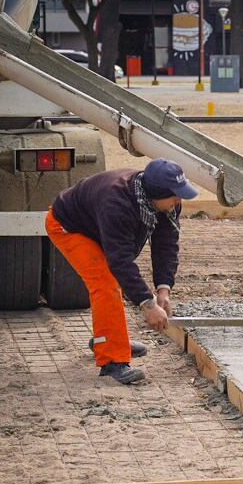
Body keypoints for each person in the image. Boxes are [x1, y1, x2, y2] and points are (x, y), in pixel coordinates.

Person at [45, 159, 197, 385]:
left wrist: (164, 289)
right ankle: (112, 362)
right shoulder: (117, 203)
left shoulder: (167, 202)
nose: (178, 200)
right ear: (155, 194)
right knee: (105, 284)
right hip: (70, 227)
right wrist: (148, 304)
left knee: (114, 281)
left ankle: (107, 340)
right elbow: (121, 262)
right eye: (175, 196)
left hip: (97, 226)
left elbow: (166, 244)